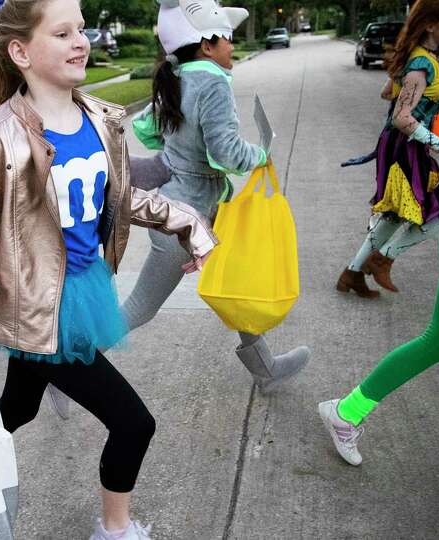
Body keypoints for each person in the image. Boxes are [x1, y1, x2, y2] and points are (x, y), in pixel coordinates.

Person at [0, 0, 217, 537]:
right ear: (21, 51)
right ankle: (116, 529)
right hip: (39, 305)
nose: (80, 41)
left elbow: (123, 198)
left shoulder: (103, 119)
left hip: (86, 289)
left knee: (21, 404)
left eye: (81, 29)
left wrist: (190, 224)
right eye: (62, 33)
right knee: (134, 424)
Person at [318, 22, 439, 467]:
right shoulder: (422, 61)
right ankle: (371, 264)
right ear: (433, 22)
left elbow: (395, 97)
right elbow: (399, 110)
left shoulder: (428, 62)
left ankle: (347, 411)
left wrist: (432, 104)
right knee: (403, 216)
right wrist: (434, 133)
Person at [120, 0, 310, 394]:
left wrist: (180, 147)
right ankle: (66, 366)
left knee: (234, 283)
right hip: (185, 223)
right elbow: (224, 152)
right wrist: (261, 154)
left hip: (189, 213)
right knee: (141, 307)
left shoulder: (178, 77)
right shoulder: (212, 84)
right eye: (226, 39)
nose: (231, 47)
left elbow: (150, 131)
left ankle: (266, 368)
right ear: (206, 45)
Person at [335, 0, 439, 297]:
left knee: (394, 215)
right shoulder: (421, 62)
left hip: (400, 146)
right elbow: (402, 117)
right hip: (405, 148)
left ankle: (352, 274)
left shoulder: (421, 58)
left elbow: (387, 92)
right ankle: (382, 259)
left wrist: (433, 97)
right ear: (431, 24)